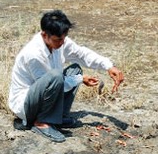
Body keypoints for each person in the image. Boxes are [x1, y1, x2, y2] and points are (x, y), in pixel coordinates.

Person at [8, 10, 124, 142]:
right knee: (58, 76)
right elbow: (51, 84)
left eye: (64, 38)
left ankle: (58, 118)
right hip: (25, 105)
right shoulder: (34, 54)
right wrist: (80, 79)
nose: (62, 43)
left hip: (45, 93)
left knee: (75, 70)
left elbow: (81, 54)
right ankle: (41, 122)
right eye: (58, 40)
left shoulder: (59, 42)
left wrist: (108, 66)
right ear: (44, 35)